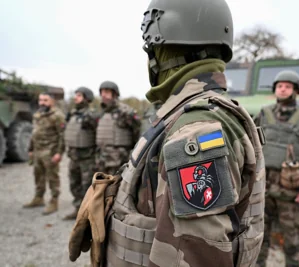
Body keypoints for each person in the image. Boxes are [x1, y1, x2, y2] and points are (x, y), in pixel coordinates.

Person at [68, 0, 266, 266]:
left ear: (162, 53)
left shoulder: (195, 129)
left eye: (154, 50)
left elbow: (194, 252)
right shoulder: (187, 114)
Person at [254, 70, 299, 267]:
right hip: (264, 187)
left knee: (292, 241)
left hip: (291, 190)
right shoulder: (264, 114)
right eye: (279, 86)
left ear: (295, 90)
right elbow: (250, 144)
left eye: (287, 86)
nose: (282, 89)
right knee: (258, 237)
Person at [23, 92, 65, 215]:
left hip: (50, 152)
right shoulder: (37, 114)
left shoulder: (57, 116)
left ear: (52, 101)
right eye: (40, 100)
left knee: (52, 177)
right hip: (37, 151)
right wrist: (31, 149)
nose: (42, 103)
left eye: (45, 100)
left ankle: (54, 201)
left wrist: (59, 153)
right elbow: (34, 133)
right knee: (38, 176)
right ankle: (39, 198)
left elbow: (62, 136)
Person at [63, 87, 98, 220]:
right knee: (74, 184)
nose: (75, 97)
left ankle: (88, 214)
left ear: (86, 98)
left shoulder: (92, 115)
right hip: (73, 156)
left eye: (79, 95)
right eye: (75, 95)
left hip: (87, 158)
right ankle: (78, 209)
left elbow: (98, 135)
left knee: (87, 187)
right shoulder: (72, 114)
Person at [95, 81, 141, 174]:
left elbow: (137, 131)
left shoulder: (125, 111)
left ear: (115, 94)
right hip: (102, 159)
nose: (103, 95)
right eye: (102, 92)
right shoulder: (102, 112)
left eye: (107, 92)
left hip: (118, 159)